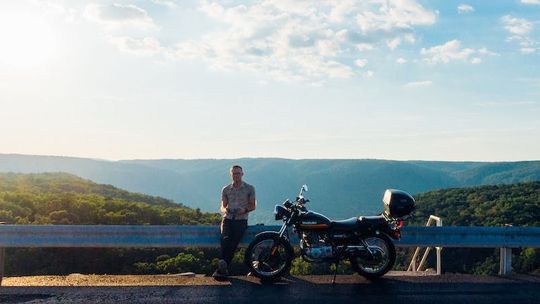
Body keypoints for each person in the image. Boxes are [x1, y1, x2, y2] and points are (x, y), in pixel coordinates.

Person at [213, 165, 256, 278]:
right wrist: (225, 210)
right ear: (231, 174)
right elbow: (222, 206)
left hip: (241, 220)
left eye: (238, 173)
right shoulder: (226, 189)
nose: (236, 175)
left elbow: (253, 206)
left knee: (233, 242)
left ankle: (222, 267)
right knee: (225, 239)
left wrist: (244, 210)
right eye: (234, 173)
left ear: (242, 174)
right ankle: (223, 267)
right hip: (227, 218)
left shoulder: (249, 188)